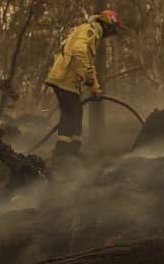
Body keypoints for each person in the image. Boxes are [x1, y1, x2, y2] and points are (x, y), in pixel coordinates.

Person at [44, 9, 123, 160]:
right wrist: (88, 77)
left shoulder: (94, 33)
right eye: (112, 30)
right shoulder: (91, 30)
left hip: (68, 81)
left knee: (75, 113)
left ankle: (72, 152)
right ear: (107, 25)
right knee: (71, 114)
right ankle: (62, 155)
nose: (110, 35)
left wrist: (95, 88)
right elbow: (79, 51)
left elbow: (88, 65)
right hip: (64, 79)